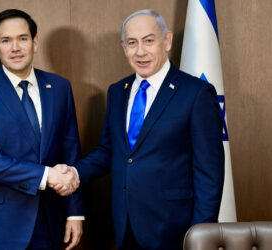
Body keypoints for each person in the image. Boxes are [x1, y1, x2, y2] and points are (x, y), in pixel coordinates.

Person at [60, 9, 224, 249]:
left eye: (149, 41)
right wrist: (74, 173)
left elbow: (209, 173)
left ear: (166, 41)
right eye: (132, 43)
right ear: (123, 46)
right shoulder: (118, 91)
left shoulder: (196, 93)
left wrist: (200, 236)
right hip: (125, 226)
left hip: (175, 231)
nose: (140, 52)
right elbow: (108, 151)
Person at [0, 9, 83, 250]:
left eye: (23, 38)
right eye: (6, 40)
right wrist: (47, 176)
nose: (15, 47)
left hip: (50, 225)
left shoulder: (59, 87)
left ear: (35, 42)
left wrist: (75, 213)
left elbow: (71, 153)